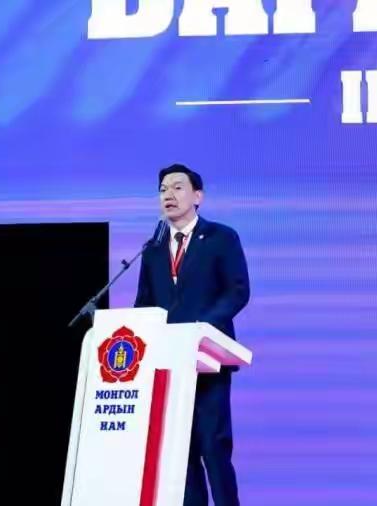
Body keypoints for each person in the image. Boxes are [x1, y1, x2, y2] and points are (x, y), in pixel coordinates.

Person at [135, 163, 249, 506]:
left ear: (198, 196)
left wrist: (200, 328)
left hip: (207, 359)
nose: (168, 195)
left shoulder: (221, 237)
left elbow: (237, 290)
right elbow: (145, 302)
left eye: (177, 187)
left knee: (213, 447)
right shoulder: (153, 249)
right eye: (162, 190)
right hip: (168, 365)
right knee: (180, 453)